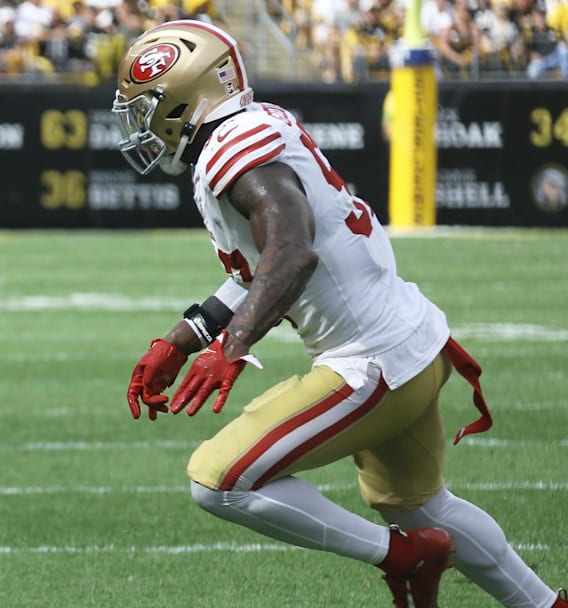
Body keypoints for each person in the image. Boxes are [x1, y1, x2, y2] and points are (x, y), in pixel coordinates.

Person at [114, 19, 567, 608]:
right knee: (420, 506)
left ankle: (403, 557)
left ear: (183, 99)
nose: (142, 124)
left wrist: (233, 345)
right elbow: (258, 269)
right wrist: (184, 337)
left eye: (147, 109)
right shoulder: (252, 126)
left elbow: (291, 252)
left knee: (217, 480)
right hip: (410, 340)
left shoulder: (234, 151)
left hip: (371, 364)